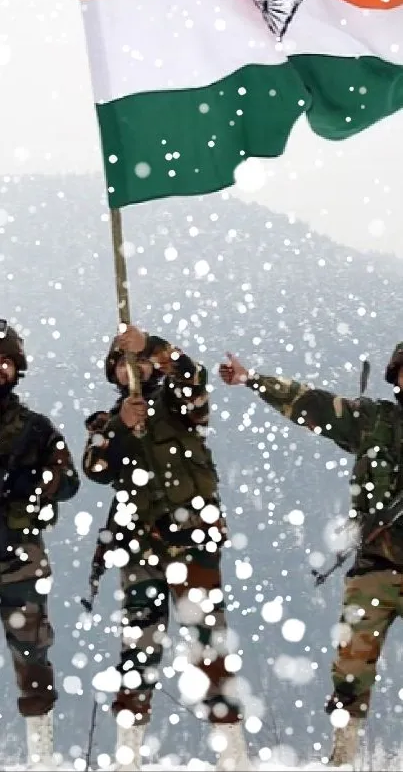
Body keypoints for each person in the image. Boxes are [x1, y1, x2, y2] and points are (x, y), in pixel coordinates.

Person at [219, 345, 403, 767]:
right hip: (374, 567)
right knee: (350, 673)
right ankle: (343, 756)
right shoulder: (373, 421)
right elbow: (310, 404)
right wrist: (253, 380)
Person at [83, 325, 250, 772]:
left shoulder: (181, 407)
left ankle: (233, 754)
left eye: (135, 360)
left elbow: (194, 378)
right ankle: (128, 756)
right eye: (121, 362)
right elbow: (94, 468)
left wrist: (154, 347)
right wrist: (121, 425)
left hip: (193, 543)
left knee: (208, 646)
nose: (130, 368)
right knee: (139, 649)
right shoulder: (107, 422)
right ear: (112, 373)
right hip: (140, 550)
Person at [0, 320, 80, 766]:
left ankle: (40, 758)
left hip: (19, 561)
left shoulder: (36, 429)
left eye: (5, 363)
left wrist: (38, 485)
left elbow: (70, 482)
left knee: (32, 661)